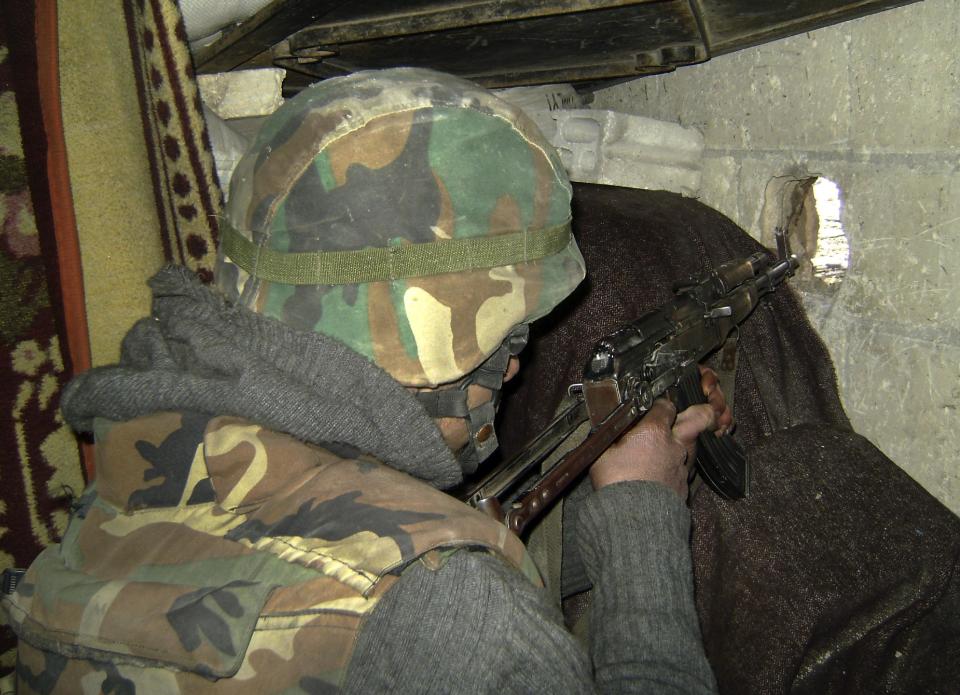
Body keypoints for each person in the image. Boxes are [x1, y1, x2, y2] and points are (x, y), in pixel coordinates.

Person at [3, 68, 730, 693]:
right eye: (506, 339)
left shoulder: (125, 493)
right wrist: (641, 510)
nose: (515, 365)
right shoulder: (458, 610)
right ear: (419, 336)